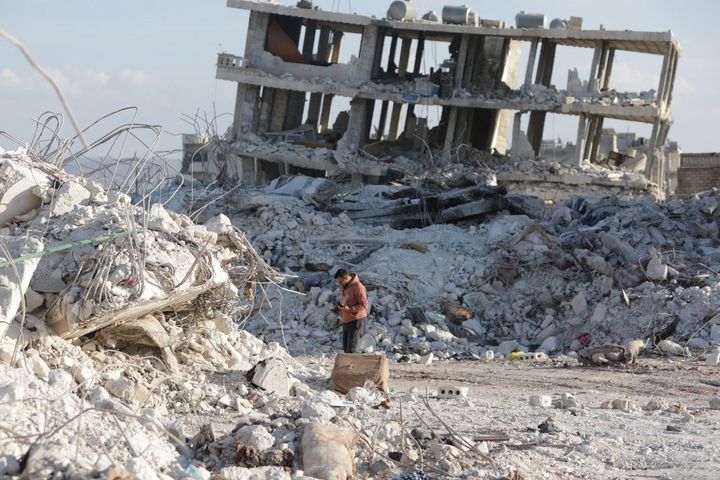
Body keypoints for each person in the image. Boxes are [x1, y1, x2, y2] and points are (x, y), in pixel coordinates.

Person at [333, 268, 368, 353]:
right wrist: (338, 308)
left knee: (352, 349)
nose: (340, 284)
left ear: (345, 278)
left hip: (357, 320)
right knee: (346, 349)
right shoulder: (343, 286)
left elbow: (364, 305)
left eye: (340, 282)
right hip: (346, 320)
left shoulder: (358, 287)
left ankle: (354, 366)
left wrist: (350, 309)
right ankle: (348, 366)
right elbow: (345, 300)